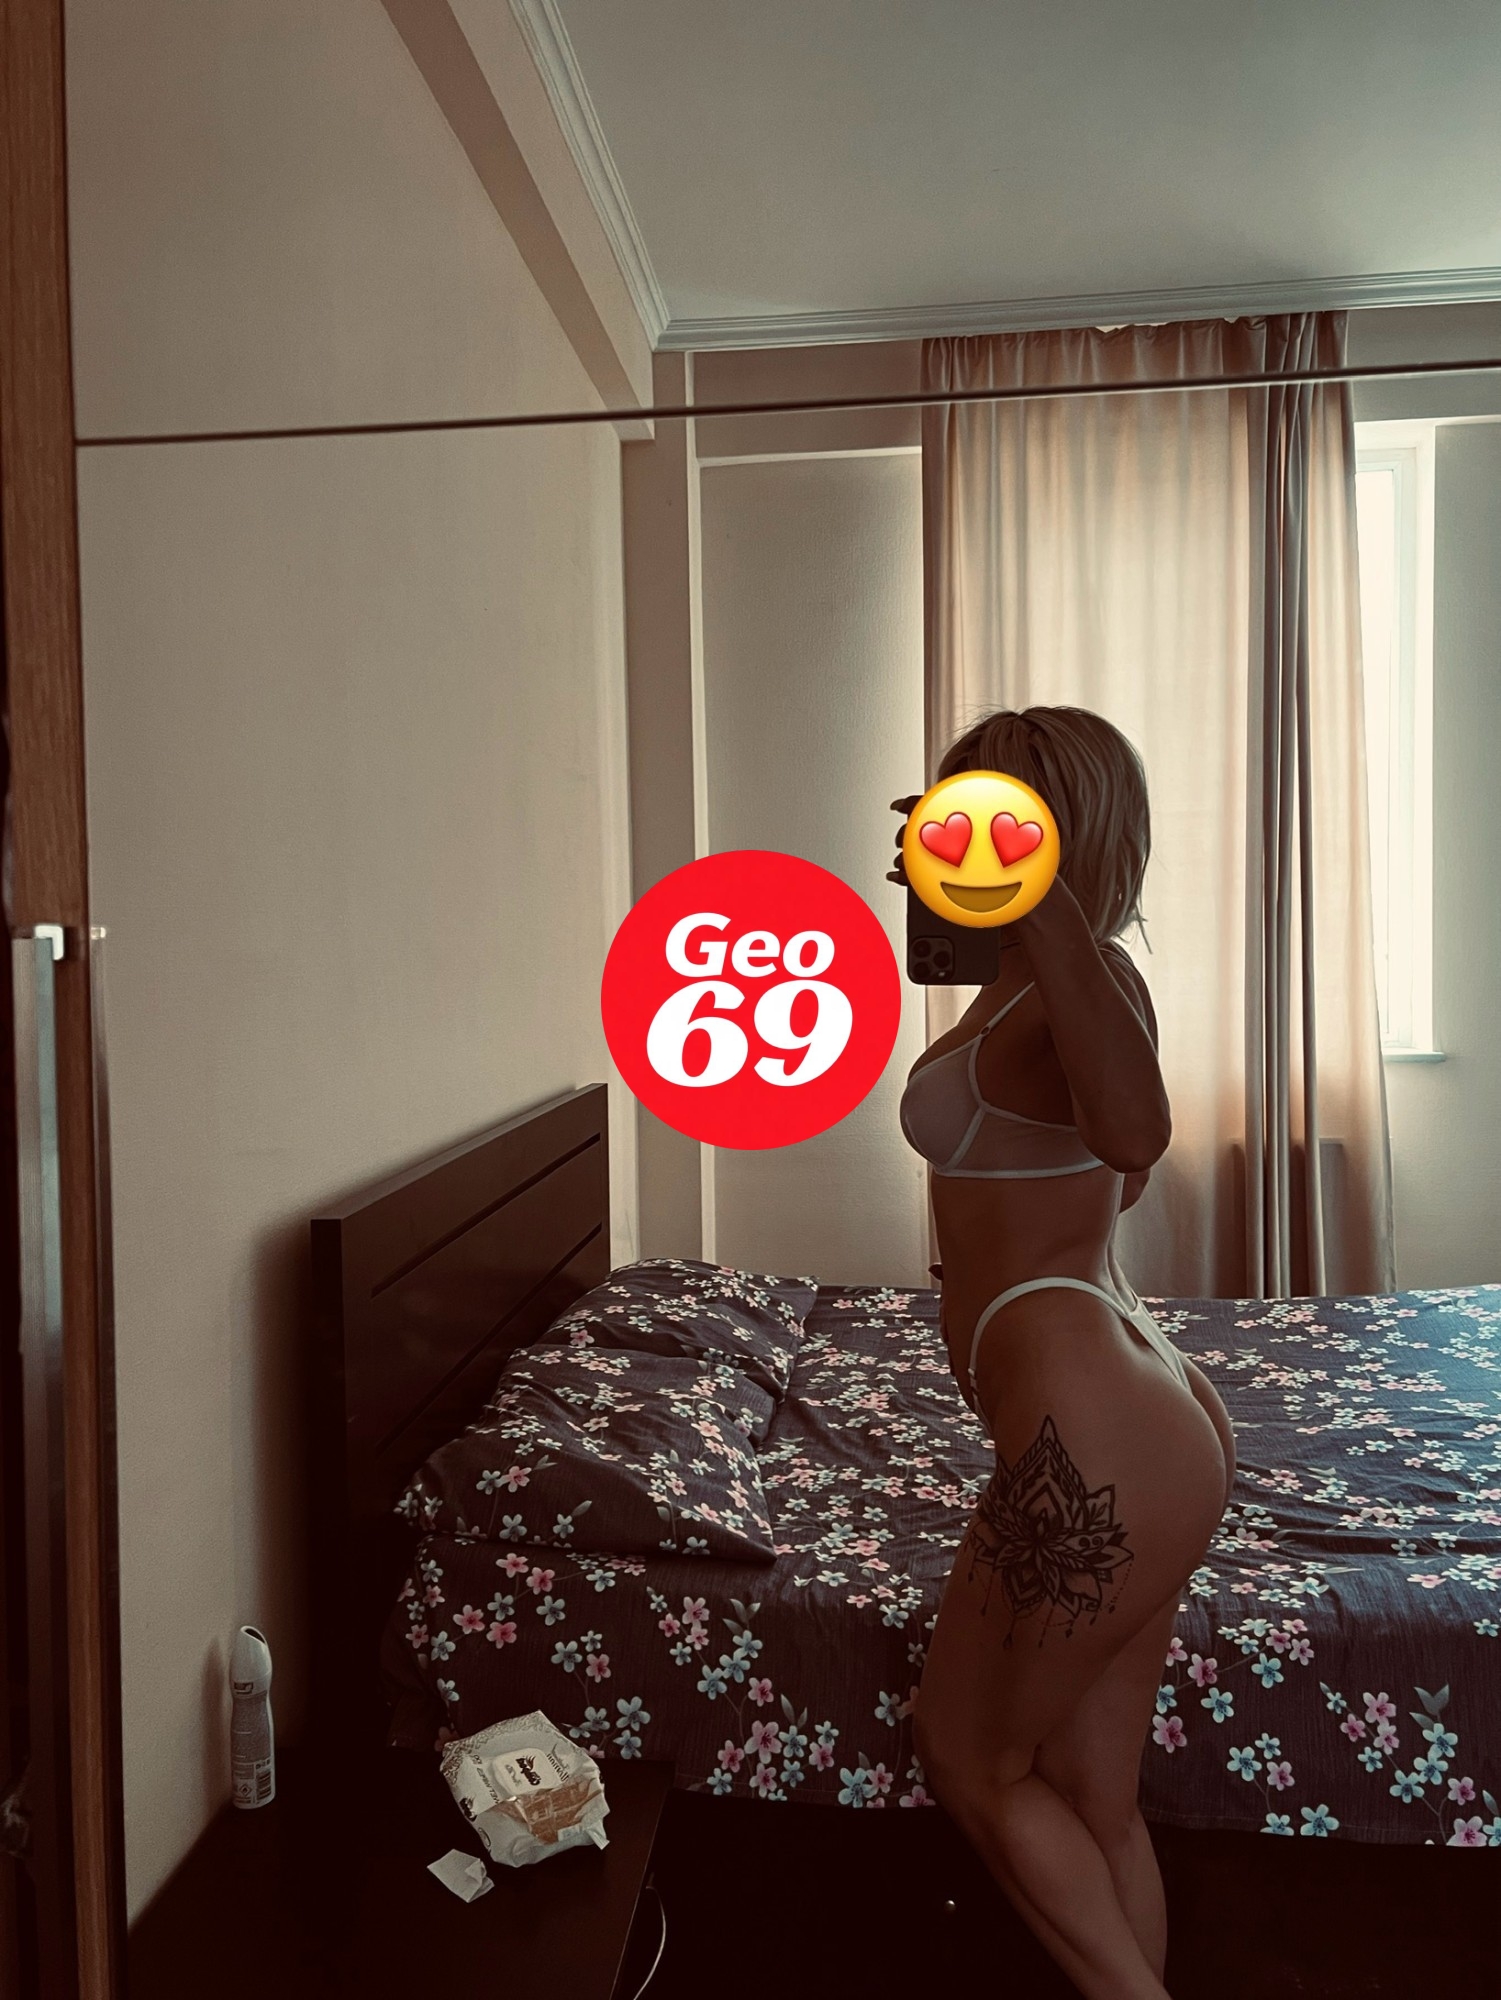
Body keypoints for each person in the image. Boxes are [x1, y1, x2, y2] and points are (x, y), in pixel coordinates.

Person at [893, 705, 1235, 2000]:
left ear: (1058, 837)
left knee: (965, 1755)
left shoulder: (1081, 974)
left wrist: (1039, 915)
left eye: (990, 820)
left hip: (1099, 1434)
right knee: (1094, 1796)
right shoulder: (1047, 985)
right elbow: (1103, 1173)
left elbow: (1137, 1139)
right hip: (1131, 1414)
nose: (958, 843)